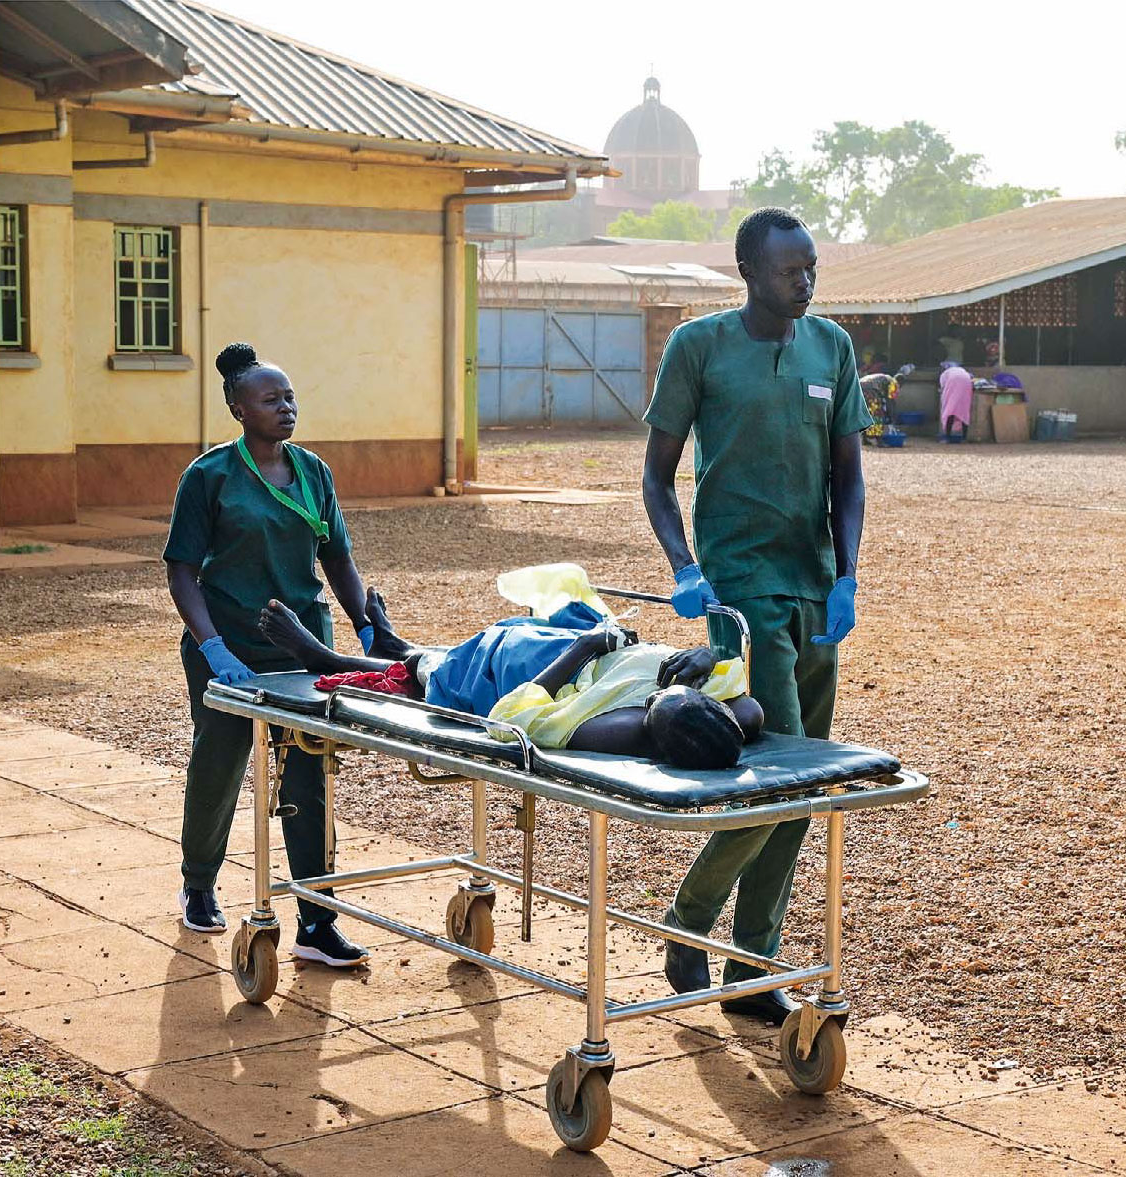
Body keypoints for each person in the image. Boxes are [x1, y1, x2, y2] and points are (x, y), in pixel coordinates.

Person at [640, 208, 870, 1023]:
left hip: (815, 592)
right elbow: (657, 477)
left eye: (810, 267)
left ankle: (747, 960)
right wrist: (684, 567)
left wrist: (846, 575)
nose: (803, 281)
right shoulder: (698, 347)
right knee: (782, 774)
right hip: (739, 593)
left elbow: (848, 475)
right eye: (787, 270)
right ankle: (697, 923)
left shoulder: (830, 348)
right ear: (747, 269)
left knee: (802, 785)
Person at [162, 343, 376, 967]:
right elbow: (180, 570)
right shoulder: (209, 477)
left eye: (290, 398)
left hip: (304, 642)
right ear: (237, 407)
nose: (286, 408)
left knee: (310, 769)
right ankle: (199, 881)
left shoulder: (313, 471)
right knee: (222, 759)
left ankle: (315, 920)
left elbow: (337, 556)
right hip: (226, 641)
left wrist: (364, 625)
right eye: (270, 399)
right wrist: (213, 646)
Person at [252, 595, 765, 767]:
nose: (661, 690)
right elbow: (736, 685)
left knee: (483, 654)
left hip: (551, 673)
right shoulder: (738, 713)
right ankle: (398, 647)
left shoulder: (619, 730)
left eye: (658, 703)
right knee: (549, 619)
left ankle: (335, 656)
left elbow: (512, 716)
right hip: (602, 645)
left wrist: (585, 648)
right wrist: (701, 655)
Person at [939, 360, 973, 442]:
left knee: (950, 410)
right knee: (964, 411)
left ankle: (947, 437)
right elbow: (971, 379)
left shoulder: (945, 373)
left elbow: (943, 386)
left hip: (953, 384)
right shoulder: (963, 371)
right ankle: (964, 438)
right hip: (966, 382)